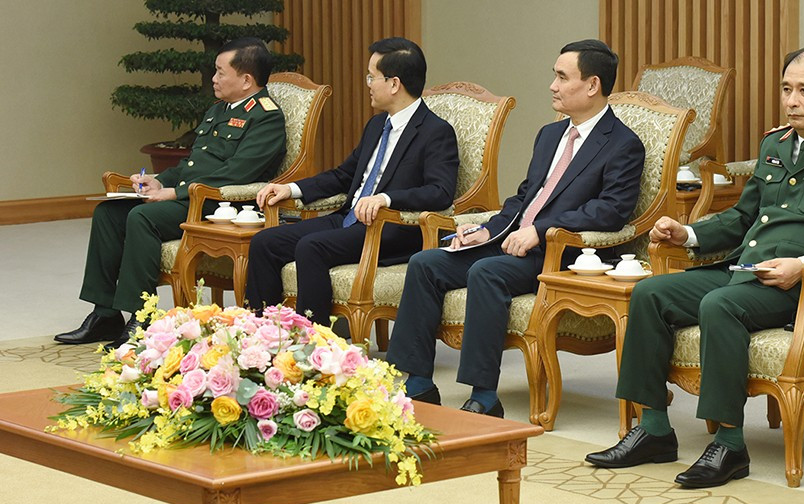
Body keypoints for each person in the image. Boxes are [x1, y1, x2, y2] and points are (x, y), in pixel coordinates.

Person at [584, 44, 804, 488]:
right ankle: (653, 429)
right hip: (746, 271)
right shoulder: (775, 144)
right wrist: (688, 234)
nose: (791, 101)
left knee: (720, 305)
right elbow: (742, 218)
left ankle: (729, 444)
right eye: (786, 89)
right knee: (650, 293)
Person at [384, 39, 645, 418]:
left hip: (560, 253)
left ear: (592, 85)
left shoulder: (622, 144)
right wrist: (488, 230)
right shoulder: (550, 135)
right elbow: (525, 197)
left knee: (486, 271)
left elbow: (611, 211)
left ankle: (484, 396)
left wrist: (540, 230)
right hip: (511, 240)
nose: (552, 86)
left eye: (562, 77)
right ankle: (418, 383)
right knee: (426, 263)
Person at [56, 37, 287, 349]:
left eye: (220, 73)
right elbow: (193, 163)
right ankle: (105, 314)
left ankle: (142, 316)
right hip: (191, 196)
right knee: (108, 213)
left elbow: (237, 173)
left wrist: (175, 193)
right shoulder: (218, 110)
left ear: (246, 80)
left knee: (143, 217)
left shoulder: (266, 117)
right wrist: (159, 181)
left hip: (220, 205)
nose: (214, 78)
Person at [243, 37, 458, 325]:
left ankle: (314, 339)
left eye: (372, 77)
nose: (368, 84)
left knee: (311, 247)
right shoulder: (377, 125)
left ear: (394, 84)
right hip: (349, 219)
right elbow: (344, 176)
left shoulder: (436, 131)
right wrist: (291, 189)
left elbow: (440, 192)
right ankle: (262, 332)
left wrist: (386, 199)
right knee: (264, 242)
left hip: (389, 230)